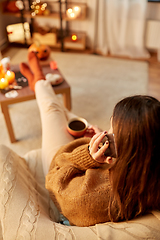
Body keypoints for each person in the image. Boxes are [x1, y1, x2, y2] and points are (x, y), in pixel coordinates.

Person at [20, 52, 160, 227]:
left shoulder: (96, 196)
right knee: (70, 117)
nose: (107, 134)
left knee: (52, 110)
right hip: (95, 161)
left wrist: (87, 157)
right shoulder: (149, 168)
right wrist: (103, 138)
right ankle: (40, 85)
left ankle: (39, 80)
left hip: (60, 169)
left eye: (113, 133)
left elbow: (55, 177)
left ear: (131, 149)